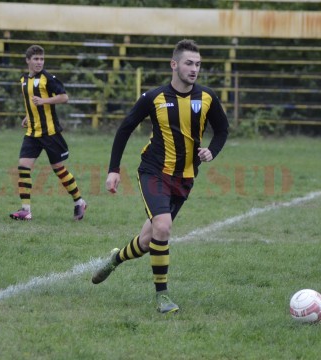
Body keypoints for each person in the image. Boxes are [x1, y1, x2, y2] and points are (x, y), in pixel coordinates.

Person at [91, 39, 229, 314]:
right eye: (189, 63)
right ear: (174, 64)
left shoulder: (207, 97)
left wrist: (211, 151)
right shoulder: (153, 97)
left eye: (198, 64)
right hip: (154, 171)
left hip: (185, 177)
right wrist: (113, 170)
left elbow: (223, 130)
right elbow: (124, 129)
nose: (194, 69)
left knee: (148, 239)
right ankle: (162, 297)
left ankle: (115, 259)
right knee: (163, 228)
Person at [9, 45, 86, 221]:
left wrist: (44, 100)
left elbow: (64, 97)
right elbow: (30, 103)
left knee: (58, 169)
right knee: (23, 167)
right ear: (27, 60)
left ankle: (79, 201)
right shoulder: (23, 80)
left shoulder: (48, 78)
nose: (39, 62)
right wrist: (27, 117)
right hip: (32, 132)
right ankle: (25, 210)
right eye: (35, 59)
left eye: (41, 59)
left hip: (50, 133)